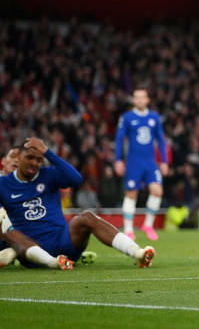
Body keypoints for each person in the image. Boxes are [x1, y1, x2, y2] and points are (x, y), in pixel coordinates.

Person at [0, 138, 155, 270]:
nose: (34, 163)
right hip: (32, 250)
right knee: (7, 229)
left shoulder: (48, 174)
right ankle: (54, 263)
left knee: (87, 217)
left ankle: (137, 253)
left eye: (39, 160)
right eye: (30, 158)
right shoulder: (3, 184)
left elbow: (76, 179)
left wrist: (48, 153)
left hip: (63, 242)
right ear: (19, 158)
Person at [114, 88, 169, 241]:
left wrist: (164, 161)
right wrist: (118, 160)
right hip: (133, 162)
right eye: (136, 97)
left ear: (147, 100)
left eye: (142, 97)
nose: (139, 100)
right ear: (133, 100)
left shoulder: (154, 117)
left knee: (157, 191)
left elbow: (161, 141)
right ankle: (128, 229)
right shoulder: (127, 117)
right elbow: (119, 140)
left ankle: (148, 225)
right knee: (131, 193)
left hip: (150, 162)